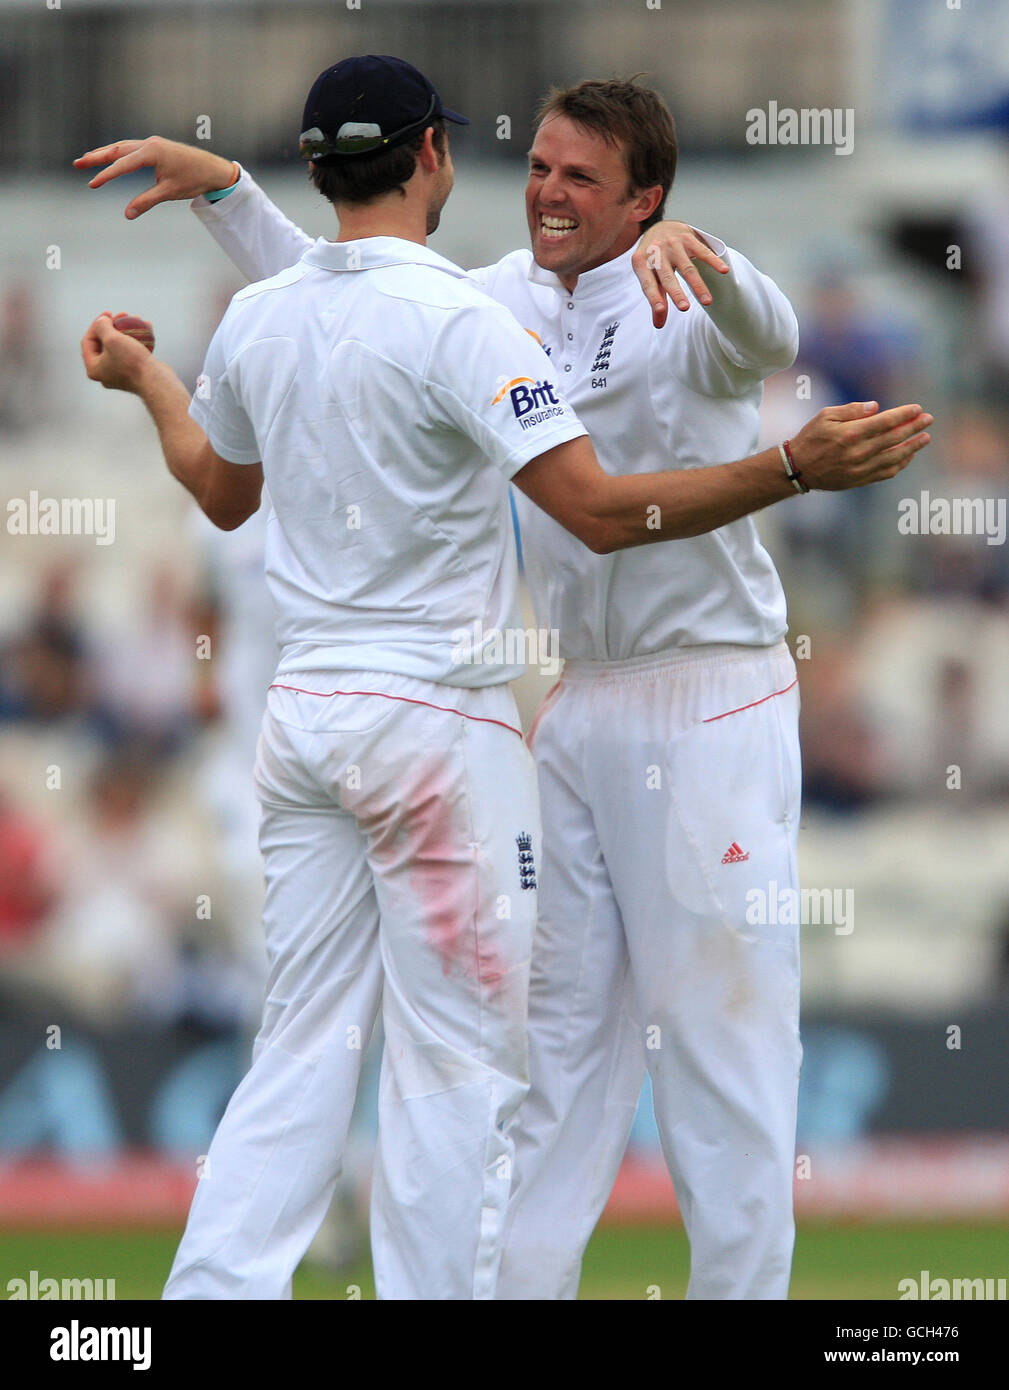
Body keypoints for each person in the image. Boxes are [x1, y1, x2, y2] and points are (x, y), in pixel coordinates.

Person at [78, 59, 931, 1300]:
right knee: (546, 1062)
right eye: (535, 164)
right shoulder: (492, 301)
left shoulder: (687, 290)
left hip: (712, 696)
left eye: (580, 176)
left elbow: (773, 332)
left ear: (647, 202)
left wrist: (717, 258)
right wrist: (228, 194)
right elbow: (349, 291)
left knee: (721, 1056)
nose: (545, 191)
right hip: (574, 706)